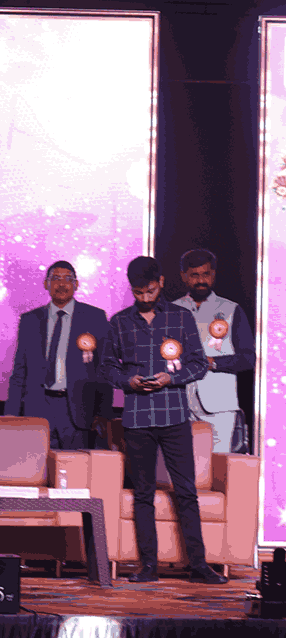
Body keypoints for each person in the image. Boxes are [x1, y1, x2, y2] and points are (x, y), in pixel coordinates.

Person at [99, 256, 227, 584]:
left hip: (174, 417)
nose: (145, 297)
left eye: (150, 291)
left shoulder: (180, 317)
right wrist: (128, 381)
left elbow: (198, 364)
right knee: (143, 494)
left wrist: (171, 378)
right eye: (138, 292)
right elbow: (107, 367)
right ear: (131, 289)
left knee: (186, 491)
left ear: (162, 282)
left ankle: (199, 566)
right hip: (137, 419)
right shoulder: (119, 322)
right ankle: (148, 567)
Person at [5, 260, 113, 449]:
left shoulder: (95, 317)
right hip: (38, 408)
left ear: (76, 284)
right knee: (37, 466)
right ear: (46, 284)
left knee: (75, 466)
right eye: (55, 279)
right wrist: (11, 414)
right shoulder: (30, 320)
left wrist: (102, 413)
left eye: (68, 279)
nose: (61, 284)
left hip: (78, 411)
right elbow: (20, 370)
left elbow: (103, 369)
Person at [173, 249, 255, 454]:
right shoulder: (171, 310)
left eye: (206, 274)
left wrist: (212, 362)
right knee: (181, 465)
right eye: (194, 275)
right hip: (179, 403)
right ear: (183, 276)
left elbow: (247, 359)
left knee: (219, 465)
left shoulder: (231, 309)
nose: (201, 280)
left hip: (219, 407)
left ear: (214, 274)